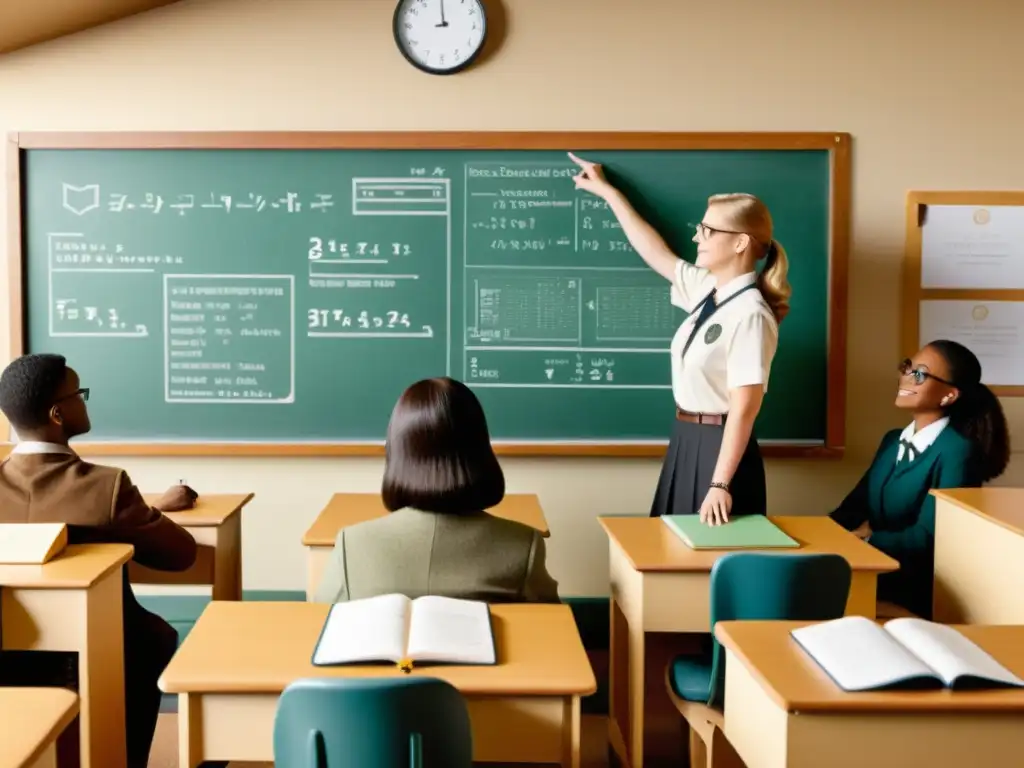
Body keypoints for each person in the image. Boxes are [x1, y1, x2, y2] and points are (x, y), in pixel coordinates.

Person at [568, 153, 790, 525]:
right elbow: (654, 251)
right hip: (687, 439)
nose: (695, 236)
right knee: (671, 553)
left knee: (709, 565)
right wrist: (608, 194)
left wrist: (720, 483)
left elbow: (744, 409)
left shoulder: (751, 314)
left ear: (740, 243)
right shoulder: (707, 289)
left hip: (720, 451)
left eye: (707, 230)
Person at [0, 353, 199, 768]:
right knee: (154, 638)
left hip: (10, 650)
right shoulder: (106, 487)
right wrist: (149, 509)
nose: (84, 402)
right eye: (79, 394)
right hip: (100, 648)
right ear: (58, 413)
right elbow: (180, 556)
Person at [313, 377, 559, 604]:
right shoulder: (523, 545)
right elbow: (552, 625)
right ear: (480, 450)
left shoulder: (352, 544)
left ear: (398, 452)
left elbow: (317, 619)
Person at [830, 340, 1010, 618]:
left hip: (915, 589)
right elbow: (854, 507)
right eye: (907, 367)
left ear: (948, 395)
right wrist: (815, 537)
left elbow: (928, 536)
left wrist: (865, 541)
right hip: (872, 570)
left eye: (920, 374)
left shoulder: (957, 451)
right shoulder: (892, 440)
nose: (906, 377)